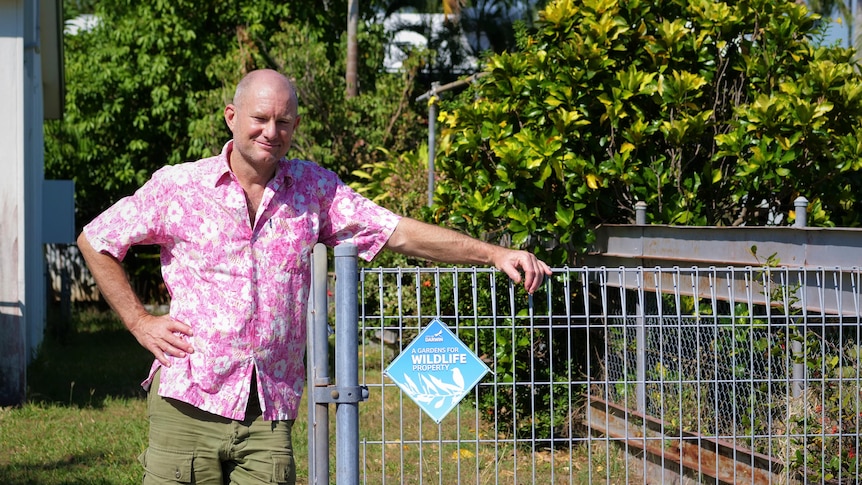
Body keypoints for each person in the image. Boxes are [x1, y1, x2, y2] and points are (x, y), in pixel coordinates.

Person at [77, 68, 552, 484]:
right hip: (189, 397)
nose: (270, 131)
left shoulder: (314, 190)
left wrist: (492, 254)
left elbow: (396, 232)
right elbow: (97, 239)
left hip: (270, 410)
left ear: (295, 126)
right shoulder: (179, 187)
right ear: (231, 117)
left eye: (283, 122)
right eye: (260, 118)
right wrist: (139, 322)